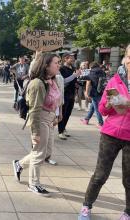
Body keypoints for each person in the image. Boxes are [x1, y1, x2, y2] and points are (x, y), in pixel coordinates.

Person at [78, 44, 130, 220]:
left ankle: (128, 212)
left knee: (128, 179)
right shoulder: (115, 80)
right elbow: (103, 109)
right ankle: (86, 206)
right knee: (100, 175)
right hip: (110, 134)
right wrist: (108, 104)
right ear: (125, 57)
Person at [12, 53, 61, 197]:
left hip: (50, 118)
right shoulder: (38, 83)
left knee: (45, 152)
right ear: (46, 66)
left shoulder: (52, 80)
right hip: (40, 119)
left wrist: (56, 115)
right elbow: (34, 110)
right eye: (56, 63)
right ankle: (33, 183)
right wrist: (35, 133)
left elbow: (57, 99)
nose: (59, 65)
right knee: (39, 153)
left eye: (59, 62)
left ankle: (19, 164)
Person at [58, 52, 80, 140]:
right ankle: (60, 131)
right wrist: (74, 75)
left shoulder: (73, 68)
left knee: (68, 113)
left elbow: (74, 80)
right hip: (64, 93)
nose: (73, 59)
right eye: (71, 58)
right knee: (62, 112)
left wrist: (77, 82)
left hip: (72, 93)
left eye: (73, 58)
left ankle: (63, 128)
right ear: (65, 59)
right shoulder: (61, 69)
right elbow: (63, 81)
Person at [80, 62, 105, 128]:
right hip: (101, 92)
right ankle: (86, 119)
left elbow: (88, 83)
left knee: (97, 108)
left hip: (94, 92)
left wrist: (87, 93)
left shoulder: (92, 72)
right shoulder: (102, 71)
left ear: (91, 67)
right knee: (92, 107)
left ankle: (101, 123)